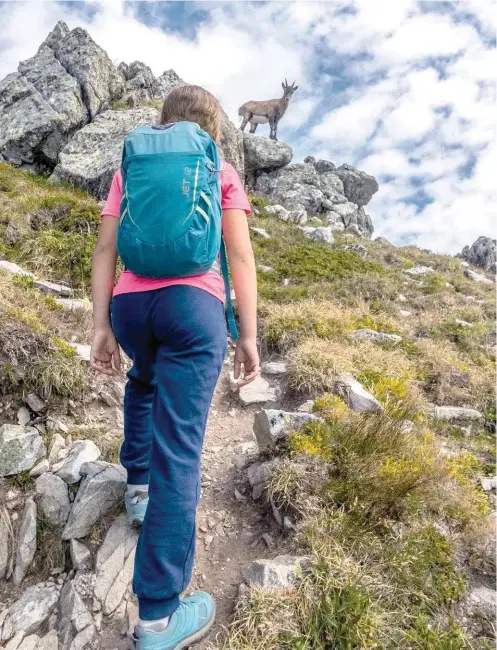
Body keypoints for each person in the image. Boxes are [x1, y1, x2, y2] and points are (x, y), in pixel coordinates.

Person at [90, 85, 259, 650]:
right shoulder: (219, 168)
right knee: (181, 451)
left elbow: (104, 249)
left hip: (132, 306)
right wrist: (248, 335)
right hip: (195, 308)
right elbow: (238, 256)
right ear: (213, 131)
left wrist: (101, 325)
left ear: (162, 124)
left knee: (142, 378)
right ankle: (160, 617)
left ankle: (136, 486)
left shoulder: (131, 165)